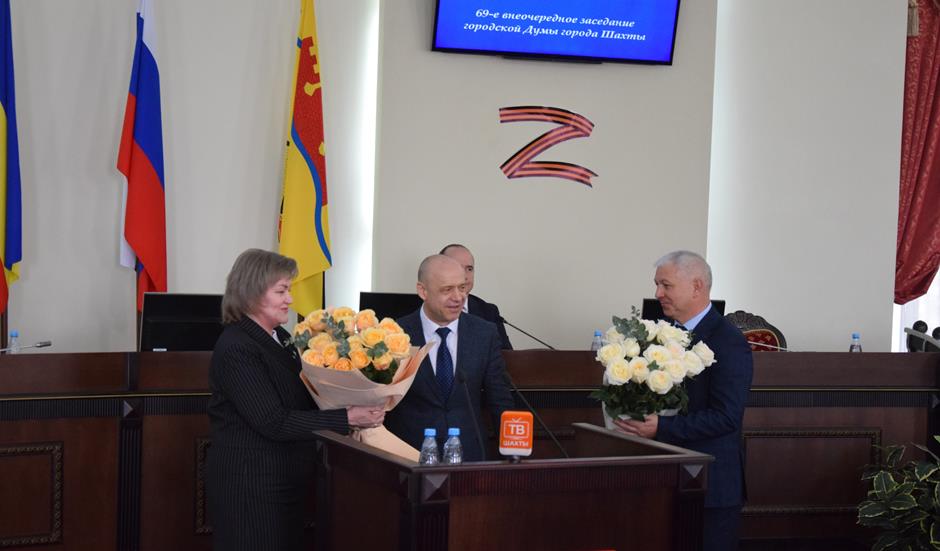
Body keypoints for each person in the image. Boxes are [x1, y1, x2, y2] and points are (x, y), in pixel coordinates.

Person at [206, 249, 384, 551]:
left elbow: (302, 398)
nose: (290, 299)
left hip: (283, 478)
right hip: (251, 486)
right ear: (251, 292)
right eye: (281, 291)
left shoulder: (282, 338)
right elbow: (272, 421)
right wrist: (347, 417)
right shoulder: (237, 346)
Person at [613, 250, 753, 551]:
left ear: (697, 286)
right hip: (666, 482)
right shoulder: (662, 335)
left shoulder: (727, 341)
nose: (657, 294)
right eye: (657, 285)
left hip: (711, 488)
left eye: (666, 285)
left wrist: (661, 427)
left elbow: (727, 417)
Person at [385, 254, 515, 461]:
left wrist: (512, 454)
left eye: (462, 288)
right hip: (409, 455)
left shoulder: (484, 333)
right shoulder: (394, 334)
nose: (458, 297)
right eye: (447, 290)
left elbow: (500, 399)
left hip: (470, 455)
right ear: (423, 291)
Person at [440, 243, 513, 350]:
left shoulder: (488, 312)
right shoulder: (422, 308)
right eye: (457, 267)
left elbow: (505, 356)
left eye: (469, 269)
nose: (465, 276)